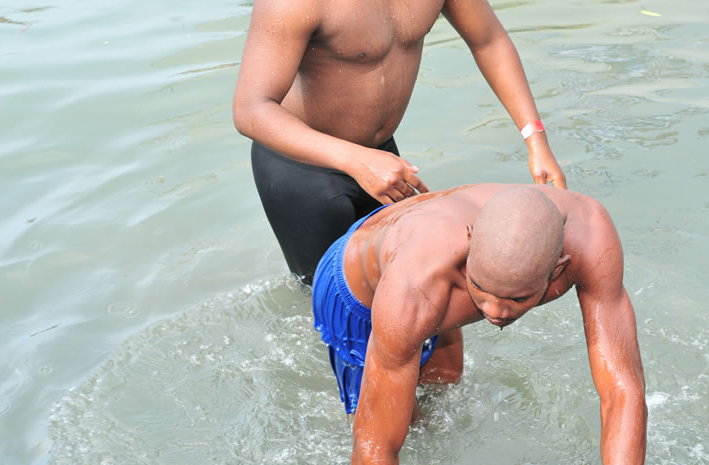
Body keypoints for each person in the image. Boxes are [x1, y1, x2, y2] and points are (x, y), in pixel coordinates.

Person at [312, 184, 646, 465]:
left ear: (559, 269)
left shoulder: (592, 238)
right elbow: (375, 444)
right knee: (396, 426)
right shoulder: (416, 289)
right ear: (470, 245)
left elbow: (623, 388)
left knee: (444, 392)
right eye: (481, 290)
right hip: (356, 289)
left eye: (517, 299)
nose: (495, 313)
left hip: (431, 269)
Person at [233, 0, 567, 284]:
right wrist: (358, 162)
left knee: (412, 283)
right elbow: (251, 109)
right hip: (302, 172)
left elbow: (489, 41)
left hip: (382, 161)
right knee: (332, 308)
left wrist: (535, 139)